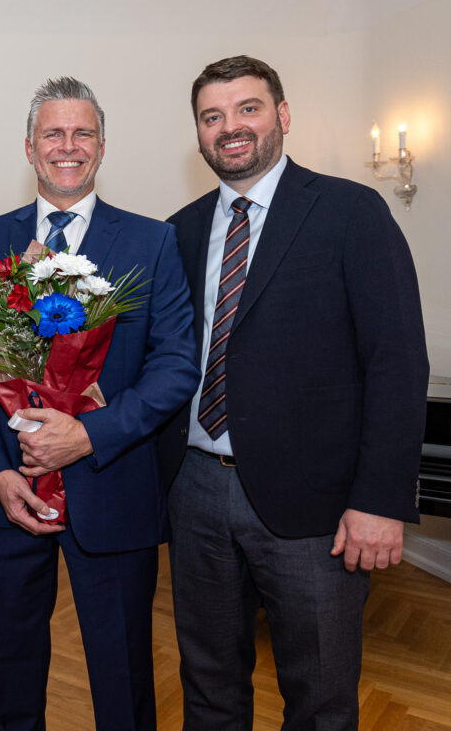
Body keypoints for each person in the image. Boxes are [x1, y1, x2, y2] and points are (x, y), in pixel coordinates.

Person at [160, 55, 428, 729]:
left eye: (247, 109)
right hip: (194, 489)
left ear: (282, 115)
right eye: (212, 116)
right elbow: (165, 358)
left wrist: (379, 501)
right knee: (209, 684)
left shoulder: (350, 212)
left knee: (321, 696)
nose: (230, 128)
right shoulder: (180, 230)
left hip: (316, 506)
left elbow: (397, 364)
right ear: (198, 133)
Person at [0, 76, 199, 731]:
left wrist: (88, 436)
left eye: (82, 133)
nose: (68, 146)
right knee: (14, 682)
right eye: (53, 133)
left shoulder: (151, 243)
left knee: (124, 685)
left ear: (102, 146)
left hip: (111, 488)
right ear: (30, 147)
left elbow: (175, 365)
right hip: (10, 496)